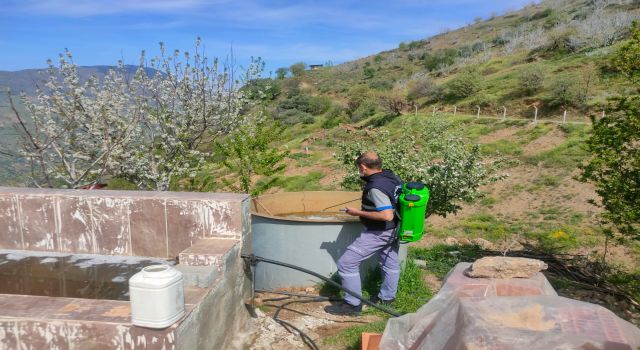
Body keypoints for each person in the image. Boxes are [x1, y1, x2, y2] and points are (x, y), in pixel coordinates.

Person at [325, 151, 403, 316]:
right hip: (394, 228)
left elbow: (386, 215)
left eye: (359, 168)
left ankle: (352, 305)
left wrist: (358, 213)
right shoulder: (391, 176)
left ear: (363, 167)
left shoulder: (375, 187)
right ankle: (387, 298)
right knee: (389, 263)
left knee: (346, 263)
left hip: (379, 231)